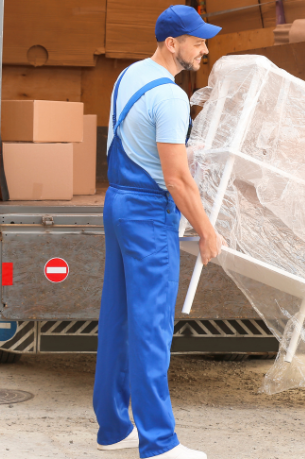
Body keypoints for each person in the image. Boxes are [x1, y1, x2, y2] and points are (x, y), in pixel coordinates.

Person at [92, 6, 223, 459]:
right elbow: (177, 180)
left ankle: (113, 428)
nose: (204, 49)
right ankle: (159, 443)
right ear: (174, 43)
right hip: (148, 214)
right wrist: (206, 230)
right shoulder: (169, 97)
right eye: (198, 41)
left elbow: (139, 143)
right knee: (151, 329)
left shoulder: (130, 74)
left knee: (119, 318)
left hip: (118, 203)